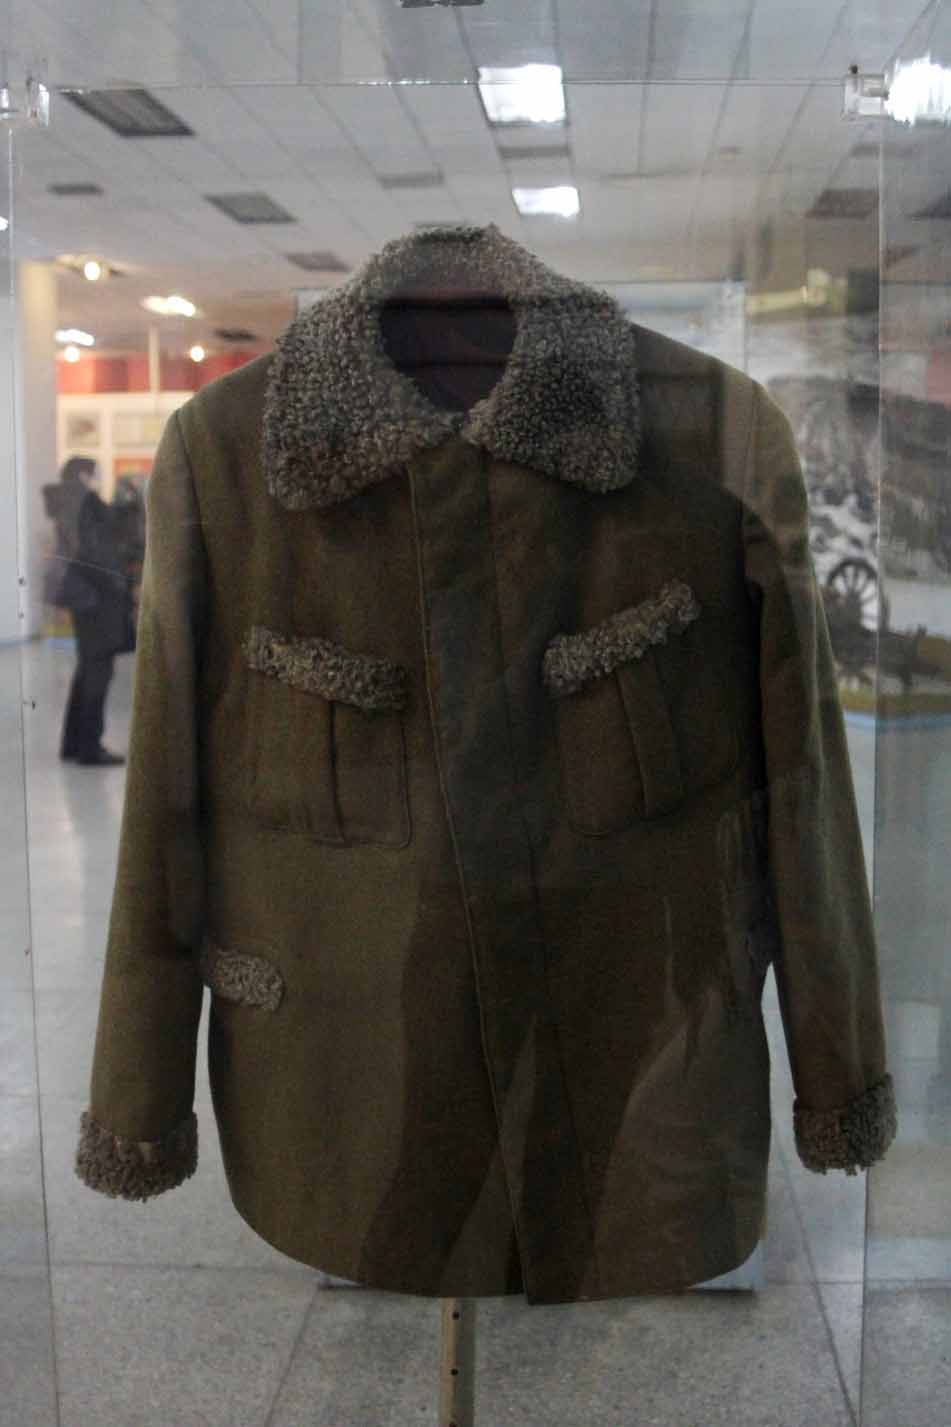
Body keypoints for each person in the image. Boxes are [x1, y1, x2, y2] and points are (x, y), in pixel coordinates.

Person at [42, 455, 135, 766]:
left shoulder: (71, 502)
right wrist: (117, 583)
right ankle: (90, 748)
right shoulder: (82, 502)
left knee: (87, 670)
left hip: (85, 596)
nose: (97, 478)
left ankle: (73, 743)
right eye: (94, 473)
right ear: (83, 475)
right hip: (96, 598)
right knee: (98, 671)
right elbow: (92, 551)